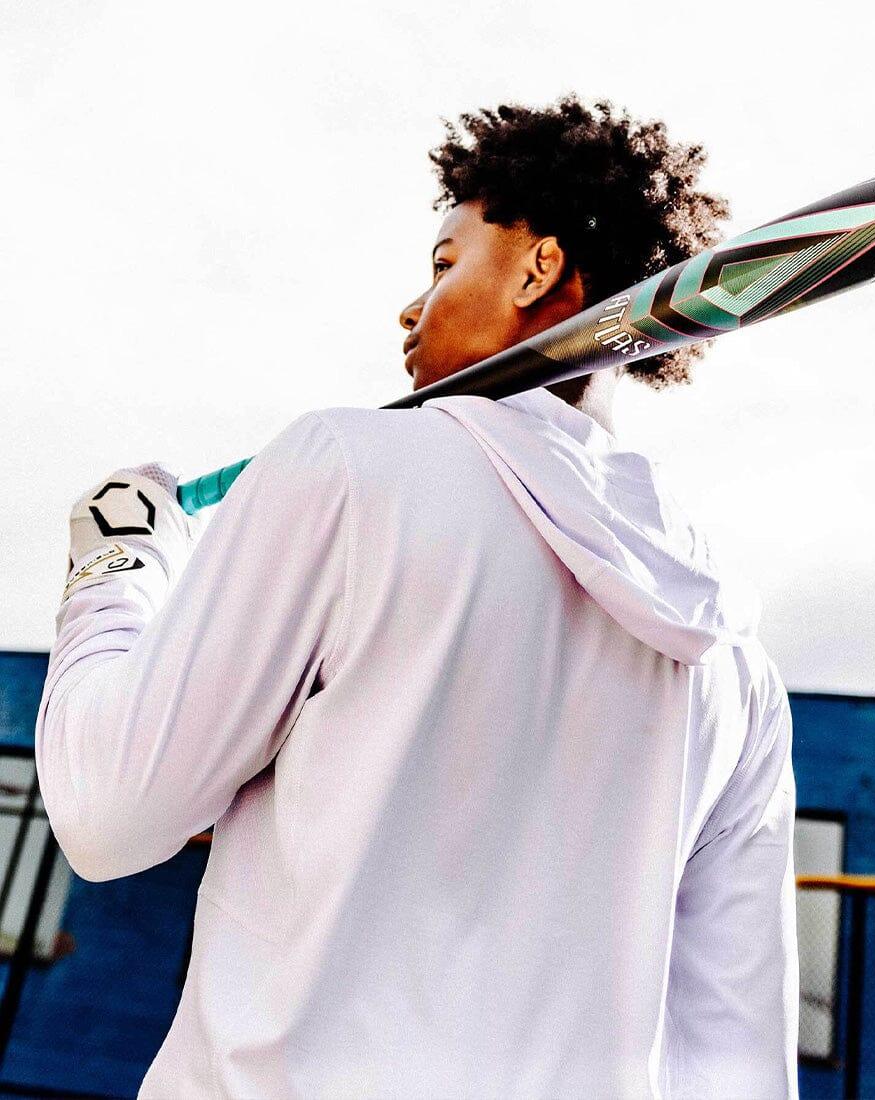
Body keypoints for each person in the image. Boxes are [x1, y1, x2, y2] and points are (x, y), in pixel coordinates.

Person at [35, 94, 799, 1098]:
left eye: (445, 263)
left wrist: (117, 566)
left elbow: (107, 810)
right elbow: (735, 1062)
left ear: (537, 267)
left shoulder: (347, 468)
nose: (411, 306)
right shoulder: (733, 657)